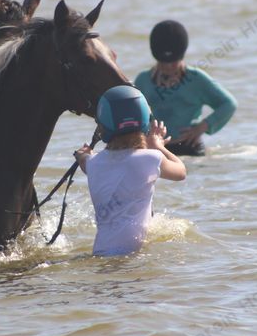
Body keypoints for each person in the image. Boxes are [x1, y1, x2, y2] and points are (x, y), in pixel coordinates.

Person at [74, 86, 186, 257]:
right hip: (132, 254)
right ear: (144, 121)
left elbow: (83, 160)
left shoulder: (93, 162)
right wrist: (158, 146)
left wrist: (82, 154)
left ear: (103, 125)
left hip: (100, 252)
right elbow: (181, 172)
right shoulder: (152, 158)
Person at [134, 20, 237, 156]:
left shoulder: (196, 79)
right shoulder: (143, 80)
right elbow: (133, 115)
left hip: (189, 148)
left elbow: (228, 104)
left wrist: (202, 127)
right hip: (156, 150)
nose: (168, 66)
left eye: (173, 62)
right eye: (163, 62)